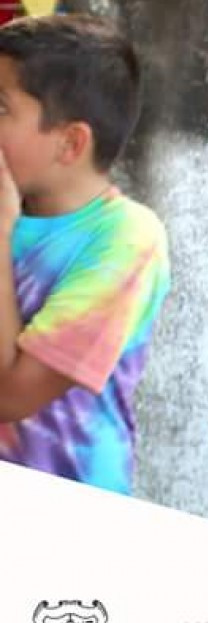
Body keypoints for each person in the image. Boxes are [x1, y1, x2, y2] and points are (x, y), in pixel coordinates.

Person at [0, 15, 170, 494]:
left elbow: (11, 394)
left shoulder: (127, 238)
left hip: (68, 513)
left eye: (0, 107)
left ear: (71, 142)